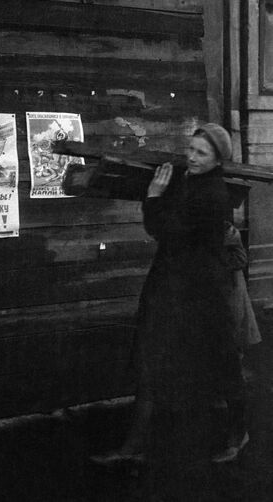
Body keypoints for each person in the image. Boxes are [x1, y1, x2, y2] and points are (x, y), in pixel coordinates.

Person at [91, 123, 247, 465]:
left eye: (201, 153)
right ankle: (135, 445)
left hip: (202, 290)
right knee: (151, 357)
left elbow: (164, 231)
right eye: (189, 149)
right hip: (170, 284)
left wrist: (153, 197)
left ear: (218, 160)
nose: (191, 157)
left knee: (220, 360)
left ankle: (239, 431)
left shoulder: (212, 195)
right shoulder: (189, 180)